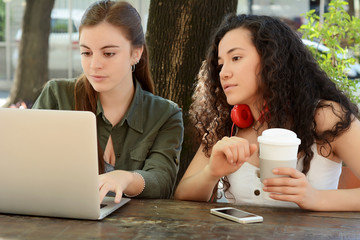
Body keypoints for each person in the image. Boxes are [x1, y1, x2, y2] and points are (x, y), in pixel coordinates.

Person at [174, 14, 360, 211]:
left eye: (236, 58)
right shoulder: (226, 125)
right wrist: (211, 172)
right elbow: (182, 194)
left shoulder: (326, 117)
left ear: (272, 59)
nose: (223, 73)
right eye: (221, 64)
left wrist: (315, 198)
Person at [32, 0, 184, 204]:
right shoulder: (57, 95)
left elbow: (162, 180)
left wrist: (126, 178)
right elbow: (28, 166)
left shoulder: (165, 114)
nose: (94, 65)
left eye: (108, 53)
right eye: (86, 53)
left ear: (135, 53)